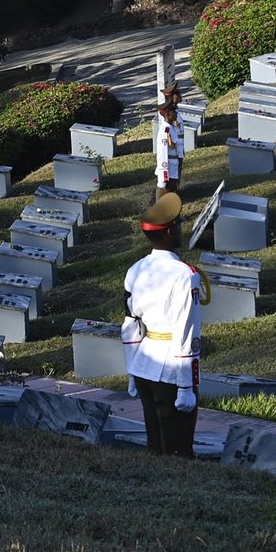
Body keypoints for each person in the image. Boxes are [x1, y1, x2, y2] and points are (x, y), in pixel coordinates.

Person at [122, 192, 203, 458]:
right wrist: (186, 386)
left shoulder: (136, 269)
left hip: (144, 364)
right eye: (179, 224)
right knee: (179, 450)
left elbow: (130, 327)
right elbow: (185, 333)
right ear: (169, 232)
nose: (181, 228)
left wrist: (132, 371)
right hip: (171, 371)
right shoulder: (184, 276)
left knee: (156, 446)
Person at [155, 96, 183, 202]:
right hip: (168, 166)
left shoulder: (170, 128)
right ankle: (159, 213)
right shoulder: (165, 131)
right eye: (173, 112)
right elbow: (162, 153)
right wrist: (163, 172)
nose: (176, 114)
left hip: (173, 164)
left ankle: (173, 216)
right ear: (167, 115)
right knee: (165, 189)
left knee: (173, 190)